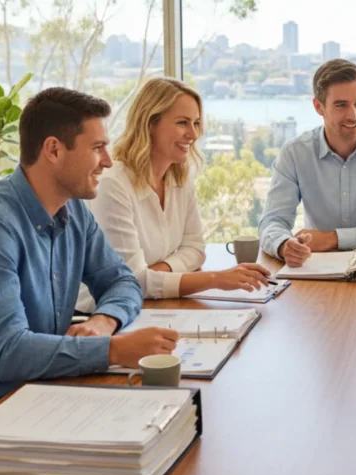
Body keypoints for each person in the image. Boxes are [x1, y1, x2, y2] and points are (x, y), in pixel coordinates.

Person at [0, 88, 179, 456]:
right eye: (97, 147)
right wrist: (113, 349)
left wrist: (104, 322)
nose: (108, 160)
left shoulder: (74, 214)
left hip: (31, 396)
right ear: (53, 150)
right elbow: (9, 352)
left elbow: (121, 281)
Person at [77, 77, 269, 311]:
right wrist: (216, 279)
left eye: (196, 123)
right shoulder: (112, 184)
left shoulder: (179, 178)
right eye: (182, 123)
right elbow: (131, 282)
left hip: (155, 306)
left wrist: (159, 271)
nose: (193, 133)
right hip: (100, 315)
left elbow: (196, 250)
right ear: (150, 123)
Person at [258, 59, 356, 267]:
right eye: (341, 105)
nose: (353, 115)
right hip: (317, 268)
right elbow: (272, 221)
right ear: (318, 106)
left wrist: (333, 238)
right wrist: (283, 244)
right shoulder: (294, 153)